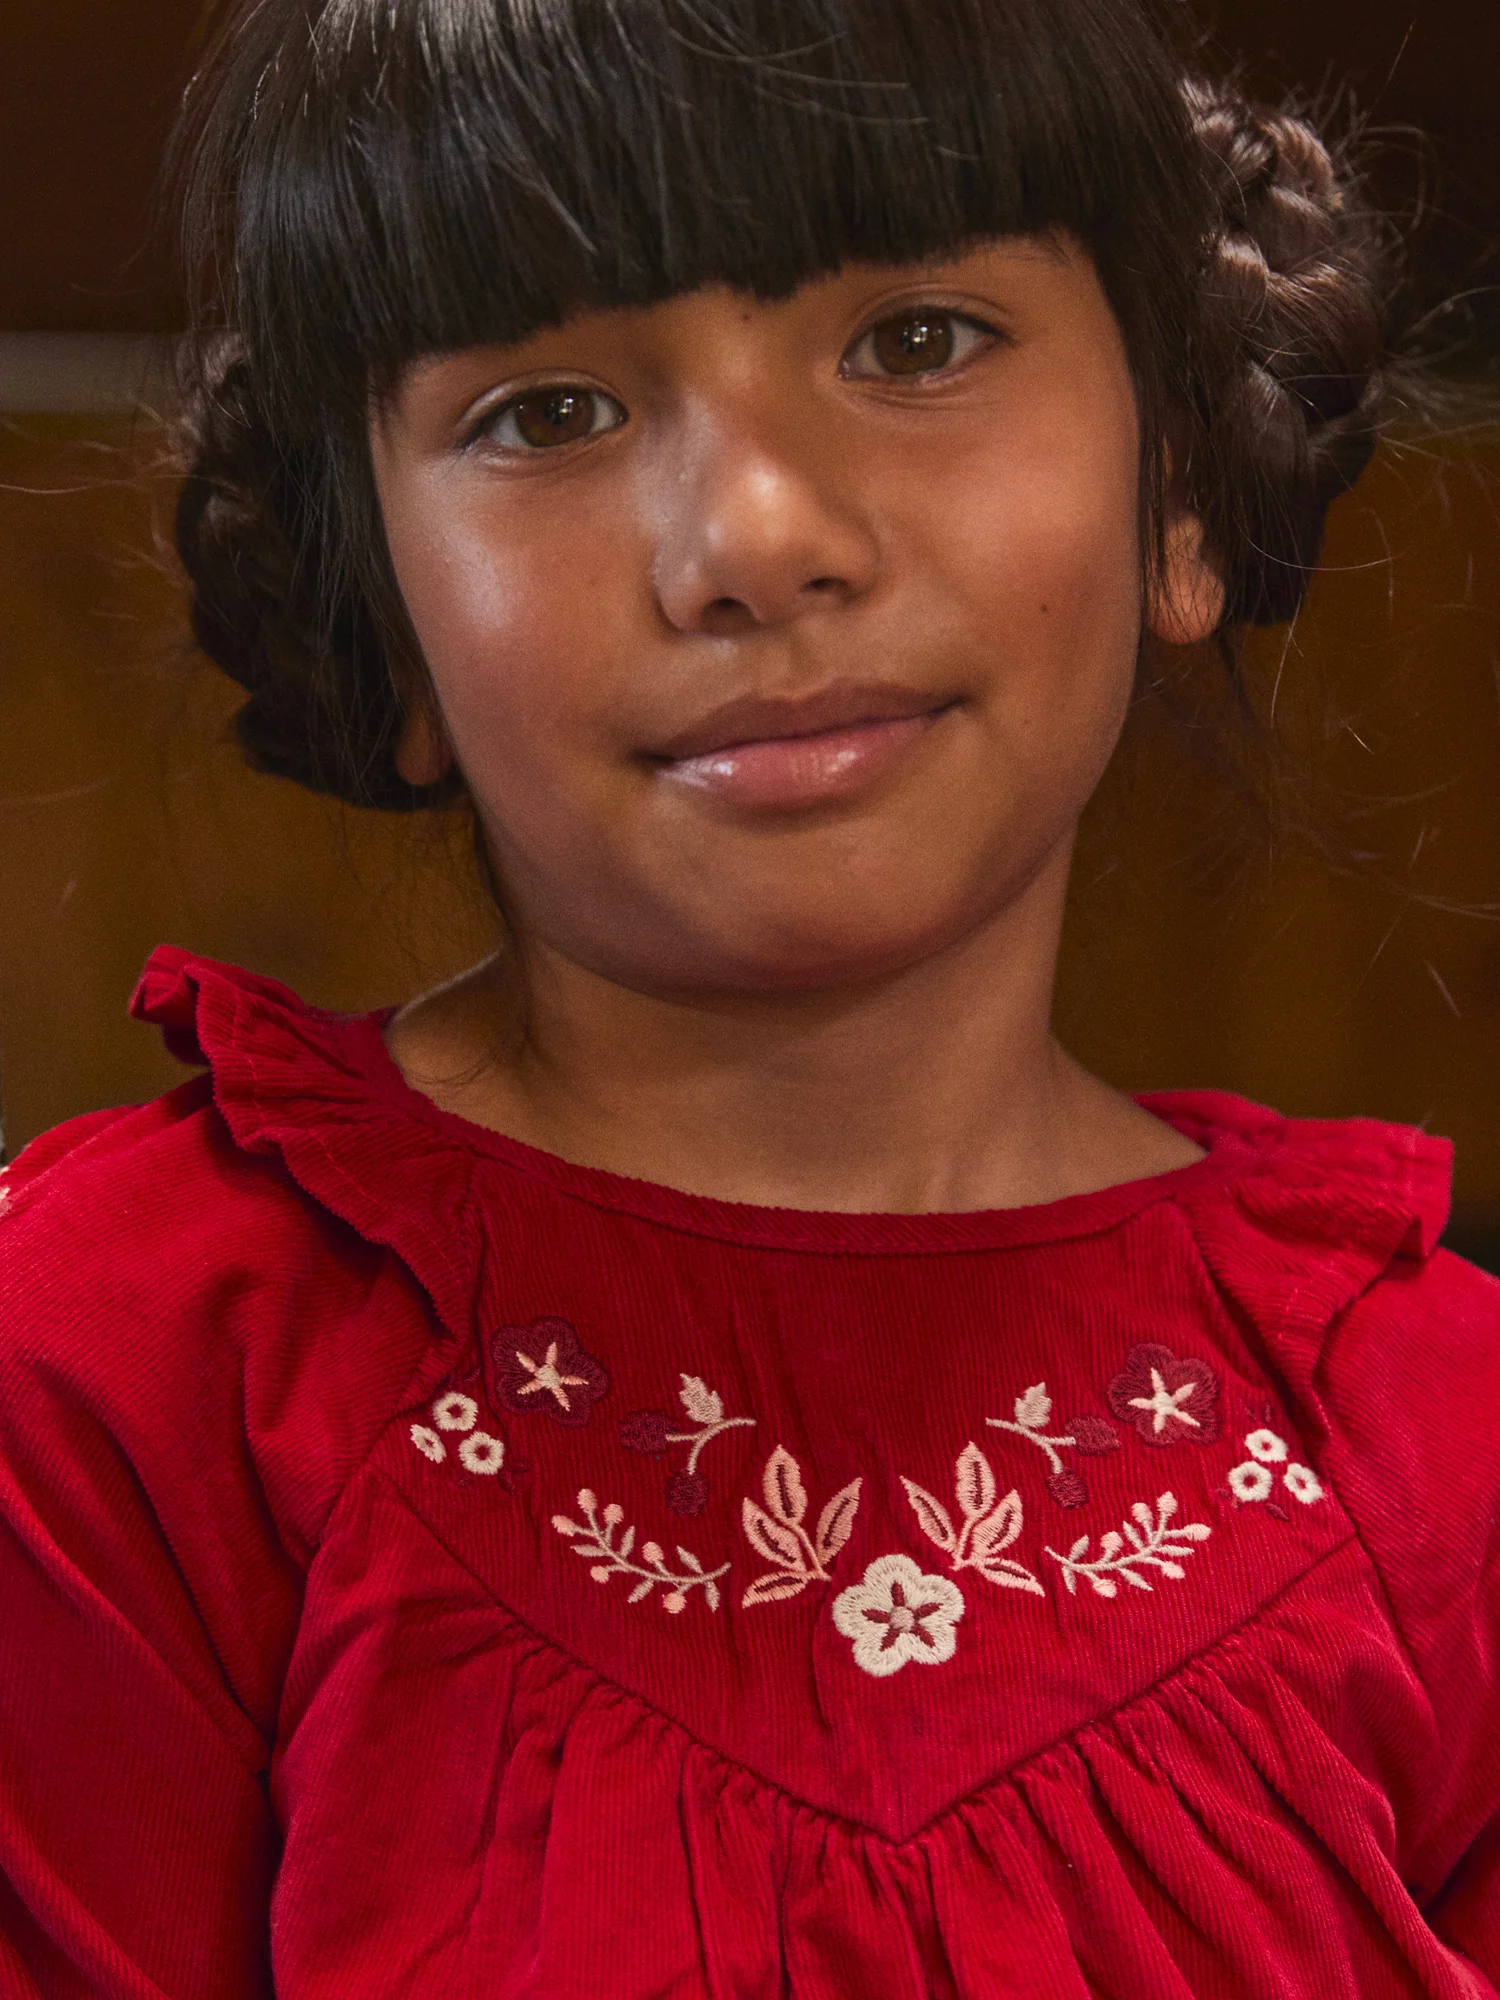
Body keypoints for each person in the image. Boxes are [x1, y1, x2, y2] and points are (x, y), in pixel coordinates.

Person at [1, 0, 1496, 1992]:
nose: (756, 544)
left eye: (918, 342)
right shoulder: (107, 1373)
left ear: (1183, 490)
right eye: (549, 411)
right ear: (390, 622)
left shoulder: (1449, 1447)